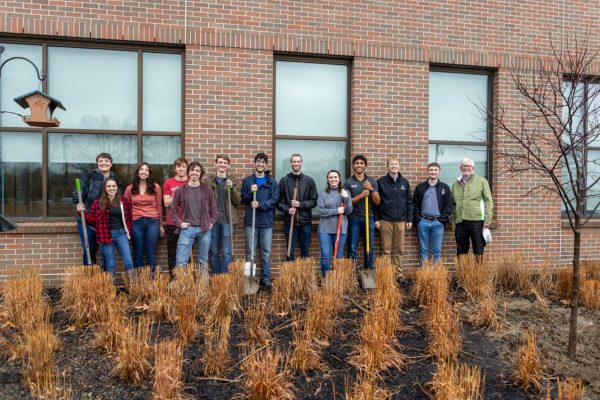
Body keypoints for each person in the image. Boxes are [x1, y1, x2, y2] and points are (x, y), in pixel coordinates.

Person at [72, 152, 123, 266]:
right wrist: (78, 205)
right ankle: (89, 279)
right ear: (97, 163)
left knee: (106, 252)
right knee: (89, 251)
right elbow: (76, 194)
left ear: (111, 163)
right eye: (101, 161)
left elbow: (120, 198)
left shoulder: (115, 179)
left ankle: (104, 280)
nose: (103, 163)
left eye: (106, 161)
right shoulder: (89, 176)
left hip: (106, 222)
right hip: (87, 221)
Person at [77, 177, 133, 280]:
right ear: (105, 188)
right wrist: (82, 211)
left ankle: (134, 287)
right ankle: (110, 290)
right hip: (105, 235)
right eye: (109, 186)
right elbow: (91, 220)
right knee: (110, 264)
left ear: (117, 187)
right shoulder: (98, 202)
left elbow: (129, 218)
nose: (111, 188)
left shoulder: (123, 201)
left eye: (113, 186)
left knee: (128, 262)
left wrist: (129, 233)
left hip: (121, 234)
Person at [170, 162, 218, 276]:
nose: (194, 173)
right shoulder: (180, 190)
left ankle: (202, 289)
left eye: (197, 170)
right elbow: (173, 211)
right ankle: (182, 288)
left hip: (204, 229)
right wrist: (180, 223)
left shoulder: (207, 189)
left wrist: (211, 222)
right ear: (188, 172)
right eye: (192, 170)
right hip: (187, 229)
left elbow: (215, 209)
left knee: (203, 261)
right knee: (181, 262)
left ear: (201, 173)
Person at [241, 153, 279, 289]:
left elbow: (275, 199)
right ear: (254, 163)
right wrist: (251, 193)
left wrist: (261, 205)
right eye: (258, 161)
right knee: (250, 252)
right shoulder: (248, 181)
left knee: (266, 252)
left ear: (266, 165)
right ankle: (250, 278)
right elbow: (243, 199)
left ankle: (265, 278)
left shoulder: (271, 182)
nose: (260, 164)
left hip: (266, 222)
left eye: (263, 162)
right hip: (251, 222)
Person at [375, 157, 413, 276]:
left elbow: (409, 202)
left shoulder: (404, 182)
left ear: (399, 166)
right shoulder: (381, 182)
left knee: (399, 249)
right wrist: (376, 219)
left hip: (401, 221)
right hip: (385, 220)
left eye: (396, 164)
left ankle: (399, 274)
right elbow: (376, 202)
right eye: (391, 164)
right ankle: (386, 274)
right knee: (386, 249)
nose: (394, 166)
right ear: (388, 166)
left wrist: (410, 219)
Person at [203, 155, 241, 274]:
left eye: (225, 163)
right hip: (213, 221)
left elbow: (238, 201)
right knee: (213, 251)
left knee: (226, 252)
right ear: (216, 164)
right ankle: (216, 278)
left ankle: (224, 279)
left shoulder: (233, 181)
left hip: (227, 221)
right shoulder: (208, 182)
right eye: (220, 162)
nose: (222, 165)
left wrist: (232, 188)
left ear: (228, 166)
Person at [123, 162, 163, 274]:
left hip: (153, 222)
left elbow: (159, 206)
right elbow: (126, 209)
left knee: (151, 253)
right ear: (137, 172)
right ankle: (138, 283)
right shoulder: (130, 188)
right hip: (136, 223)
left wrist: (160, 225)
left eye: (146, 170)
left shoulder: (156, 187)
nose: (143, 172)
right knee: (138, 253)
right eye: (141, 169)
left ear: (149, 173)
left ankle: (151, 282)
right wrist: (127, 227)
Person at [276, 153, 318, 261]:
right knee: (290, 252)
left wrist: (300, 204)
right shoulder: (284, 181)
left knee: (305, 252)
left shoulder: (309, 181)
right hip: (290, 222)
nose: (296, 163)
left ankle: (304, 276)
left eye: (298, 161)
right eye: (294, 161)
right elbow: (278, 201)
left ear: (301, 163)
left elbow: (314, 201)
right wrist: (287, 209)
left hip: (305, 223)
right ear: (291, 163)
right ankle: (291, 277)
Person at [450, 158, 494, 258]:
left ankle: (477, 273)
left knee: (478, 250)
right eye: (464, 166)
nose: (466, 168)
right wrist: (453, 220)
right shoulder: (455, 184)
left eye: (468, 166)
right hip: (460, 221)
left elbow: (488, 201)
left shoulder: (481, 181)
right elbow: (452, 204)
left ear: (473, 168)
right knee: (461, 251)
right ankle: (463, 273)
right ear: (460, 168)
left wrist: (487, 220)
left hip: (476, 220)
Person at [343, 154, 380, 270]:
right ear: (353, 166)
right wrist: (361, 195)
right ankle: (352, 271)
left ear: (365, 166)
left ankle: (368, 269)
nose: (359, 165)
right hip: (353, 218)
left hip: (369, 217)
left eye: (362, 163)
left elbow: (378, 201)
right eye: (357, 163)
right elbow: (347, 202)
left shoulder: (371, 182)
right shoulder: (348, 182)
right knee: (352, 246)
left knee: (369, 245)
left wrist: (371, 189)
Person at [413, 162, 453, 265]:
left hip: (438, 223)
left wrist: (441, 220)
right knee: (423, 251)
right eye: (431, 170)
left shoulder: (444, 187)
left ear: (439, 172)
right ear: (428, 172)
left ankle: (436, 278)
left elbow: (449, 205)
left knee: (437, 252)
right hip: (423, 222)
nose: (433, 172)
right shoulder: (420, 187)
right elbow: (415, 204)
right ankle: (424, 276)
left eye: (435, 170)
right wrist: (418, 219)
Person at [317, 170, 352, 276]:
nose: (333, 179)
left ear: (339, 178)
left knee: (339, 256)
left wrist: (346, 198)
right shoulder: (323, 193)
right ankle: (326, 279)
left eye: (335, 177)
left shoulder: (345, 192)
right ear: (327, 179)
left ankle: (338, 281)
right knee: (325, 256)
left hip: (341, 229)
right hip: (325, 229)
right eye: (331, 177)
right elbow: (320, 210)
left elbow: (349, 210)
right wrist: (336, 211)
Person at [163, 157, 189, 278]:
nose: (181, 169)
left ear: (187, 168)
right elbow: (166, 203)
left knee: (186, 253)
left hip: (189, 223)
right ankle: (174, 279)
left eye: (183, 166)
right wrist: (178, 192)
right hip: (172, 222)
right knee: (172, 252)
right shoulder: (169, 182)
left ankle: (185, 280)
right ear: (175, 169)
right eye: (179, 166)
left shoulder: (191, 182)